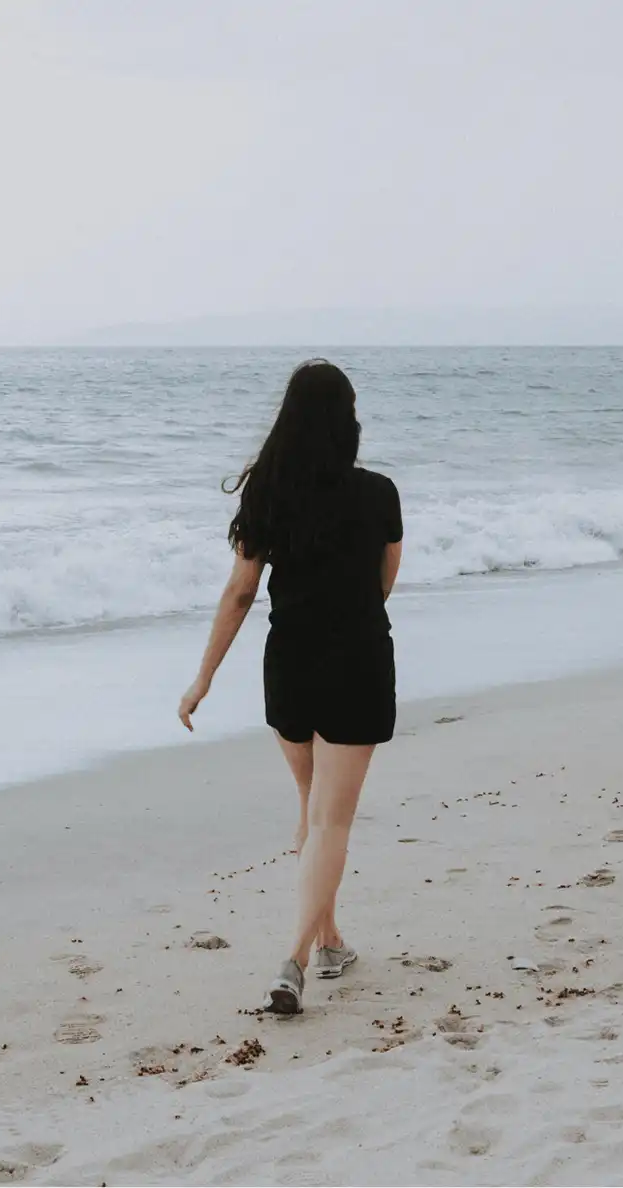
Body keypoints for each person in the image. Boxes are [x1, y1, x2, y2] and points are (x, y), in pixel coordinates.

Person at [178, 359, 403, 1015]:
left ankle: (330, 941)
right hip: (357, 661)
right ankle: (295, 960)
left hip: (290, 664)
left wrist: (203, 679)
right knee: (331, 820)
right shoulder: (379, 493)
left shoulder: (268, 493)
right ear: (348, 422)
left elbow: (241, 592)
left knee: (311, 807)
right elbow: (384, 581)